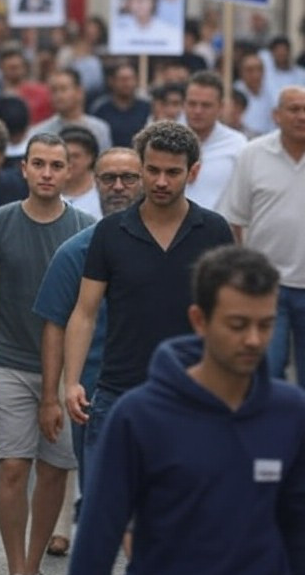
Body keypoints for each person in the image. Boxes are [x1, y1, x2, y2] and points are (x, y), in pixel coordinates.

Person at [68, 245, 305, 575]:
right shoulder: (138, 417)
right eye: (237, 325)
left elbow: (297, 530)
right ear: (199, 320)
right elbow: (97, 538)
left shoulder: (291, 412)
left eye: (265, 325)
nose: (253, 340)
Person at [62, 121, 233, 471]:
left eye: (173, 172)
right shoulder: (110, 232)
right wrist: (72, 381)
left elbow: (229, 312)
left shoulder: (214, 231)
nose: (160, 182)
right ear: (141, 167)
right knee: (108, 509)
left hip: (195, 390)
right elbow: (85, 312)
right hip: (118, 391)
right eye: (152, 170)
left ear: (193, 172)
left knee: (188, 511)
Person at [0, 133, 96, 575]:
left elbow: (87, 307)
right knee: (11, 466)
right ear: (23, 168)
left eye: (56, 165)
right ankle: (17, 567)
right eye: (38, 164)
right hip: (9, 359)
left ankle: (34, 556)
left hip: (66, 370)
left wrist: (68, 381)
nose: (46, 173)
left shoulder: (85, 228)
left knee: (55, 469)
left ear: (70, 171)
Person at [36, 148, 144, 480]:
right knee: (100, 488)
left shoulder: (169, 248)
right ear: (95, 183)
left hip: (156, 388)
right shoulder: (75, 252)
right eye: (108, 178)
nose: (118, 186)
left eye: (128, 178)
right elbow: (54, 325)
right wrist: (52, 397)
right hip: (93, 395)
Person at [220, 86, 305, 386]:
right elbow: (236, 221)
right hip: (267, 285)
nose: (301, 116)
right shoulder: (252, 154)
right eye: (294, 109)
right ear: (276, 115)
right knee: (266, 372)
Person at [183, 70, 247, 211]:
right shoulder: (165, 140)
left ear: (221, 107)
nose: (198, 111)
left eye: (206, 105)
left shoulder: (238, 145)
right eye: (192, 104)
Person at [29, 67, 112, 153]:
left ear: (79, 92)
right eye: (54, 90)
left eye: (63, 89)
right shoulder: (40, 133)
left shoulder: (100, 129)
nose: (58, 96)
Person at [91, 61, 150, 148]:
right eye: (123, 79)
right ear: (112, 81)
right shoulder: (100, 108)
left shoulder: (147, 107)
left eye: (131, 79)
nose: (127, 84)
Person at [114, 0, 183, 53]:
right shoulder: (118, 29)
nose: (139, 2)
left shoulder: (169, 31)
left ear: (153, 2)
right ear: (129, 3)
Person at [58, 125, 101, 219]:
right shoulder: (46, 189)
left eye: (75, 156)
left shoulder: (103, 191)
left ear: (90, 157)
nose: (68, 161)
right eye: (64, 155)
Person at [234, 51, 275, 136]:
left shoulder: (272, 92)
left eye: (259, 69)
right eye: (250, 70)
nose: (256, 74)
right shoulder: (234, 95)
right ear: (241, 72)